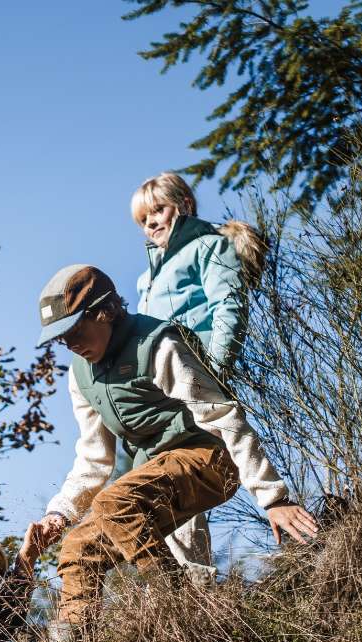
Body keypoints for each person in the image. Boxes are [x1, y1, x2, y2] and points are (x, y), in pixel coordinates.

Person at [18, 264, 317, 638]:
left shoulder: (158, 345)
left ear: (105, 311)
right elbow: (94, 459)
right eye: (61, 338)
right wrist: (59, 515)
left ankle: (176, 615)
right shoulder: (80, 375)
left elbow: (221, 414)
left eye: (76, 329)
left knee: (116, 502)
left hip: (208, 459)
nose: (70, 344)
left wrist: (273, 498)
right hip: (155, 472)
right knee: (79, 548)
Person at [128, 171, 273, 575]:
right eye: (144, 218)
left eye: (159, 210)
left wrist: (217, 373)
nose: (152, 222)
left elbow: (229, 307)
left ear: (184, 205)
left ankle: (197, 594)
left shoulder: (209, 247)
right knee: (157, 489)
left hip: (197, 382)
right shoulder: (146, 277)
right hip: (159, 393)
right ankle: (180, 594)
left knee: (183, 480)